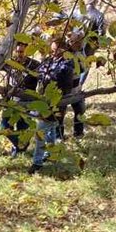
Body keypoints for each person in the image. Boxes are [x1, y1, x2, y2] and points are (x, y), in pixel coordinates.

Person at [29, 39, 77, 173]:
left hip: (56, 103)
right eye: (52, 50)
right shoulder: (50, 60)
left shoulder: (67, 64)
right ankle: (50, 153)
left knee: (41, 131)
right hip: (44, 100)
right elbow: (40, 72)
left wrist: (47, 76)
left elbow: (63, 82)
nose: (54, 52)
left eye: (56, 50)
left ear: (63, 49)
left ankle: (37, 162)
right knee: (51, 128)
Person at [0, 41, 41, 157]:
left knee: (22, 127)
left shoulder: (35, 65)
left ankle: (18, 149)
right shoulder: (10, 63)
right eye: (17, 51)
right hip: (10, 101)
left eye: (21, 51)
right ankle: (20, 145)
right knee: (4, 126)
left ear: (27, 50)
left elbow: (42, 81)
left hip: (26, 102)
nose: (19, 54)